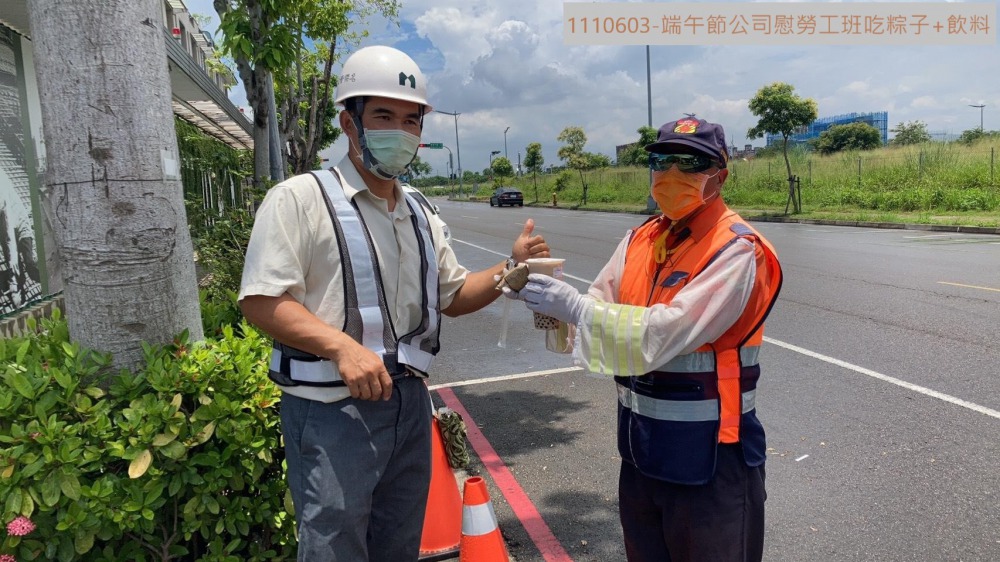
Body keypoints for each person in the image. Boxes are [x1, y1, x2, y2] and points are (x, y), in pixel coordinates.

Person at [238, 45, 549, 562]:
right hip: (330, 413)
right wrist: (340, 347)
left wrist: (510, 269)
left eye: (411, 120)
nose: (400, 131)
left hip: (408, 406)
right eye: (383, 115)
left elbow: (454, 296)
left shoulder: (420, 212)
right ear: (348, 122)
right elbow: (260, 300)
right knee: (334, 549)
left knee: (398, 547)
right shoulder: (299, 199)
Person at [508, 117, 783, 562]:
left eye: (691, 163)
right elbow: (591, 312)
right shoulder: (639, 239)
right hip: (642, 455)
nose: (672, 175)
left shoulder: (736, 250)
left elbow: (664, 330)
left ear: (721, 174)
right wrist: (535, 290)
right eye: (662, 161)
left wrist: (574, 306)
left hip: (712, 461)